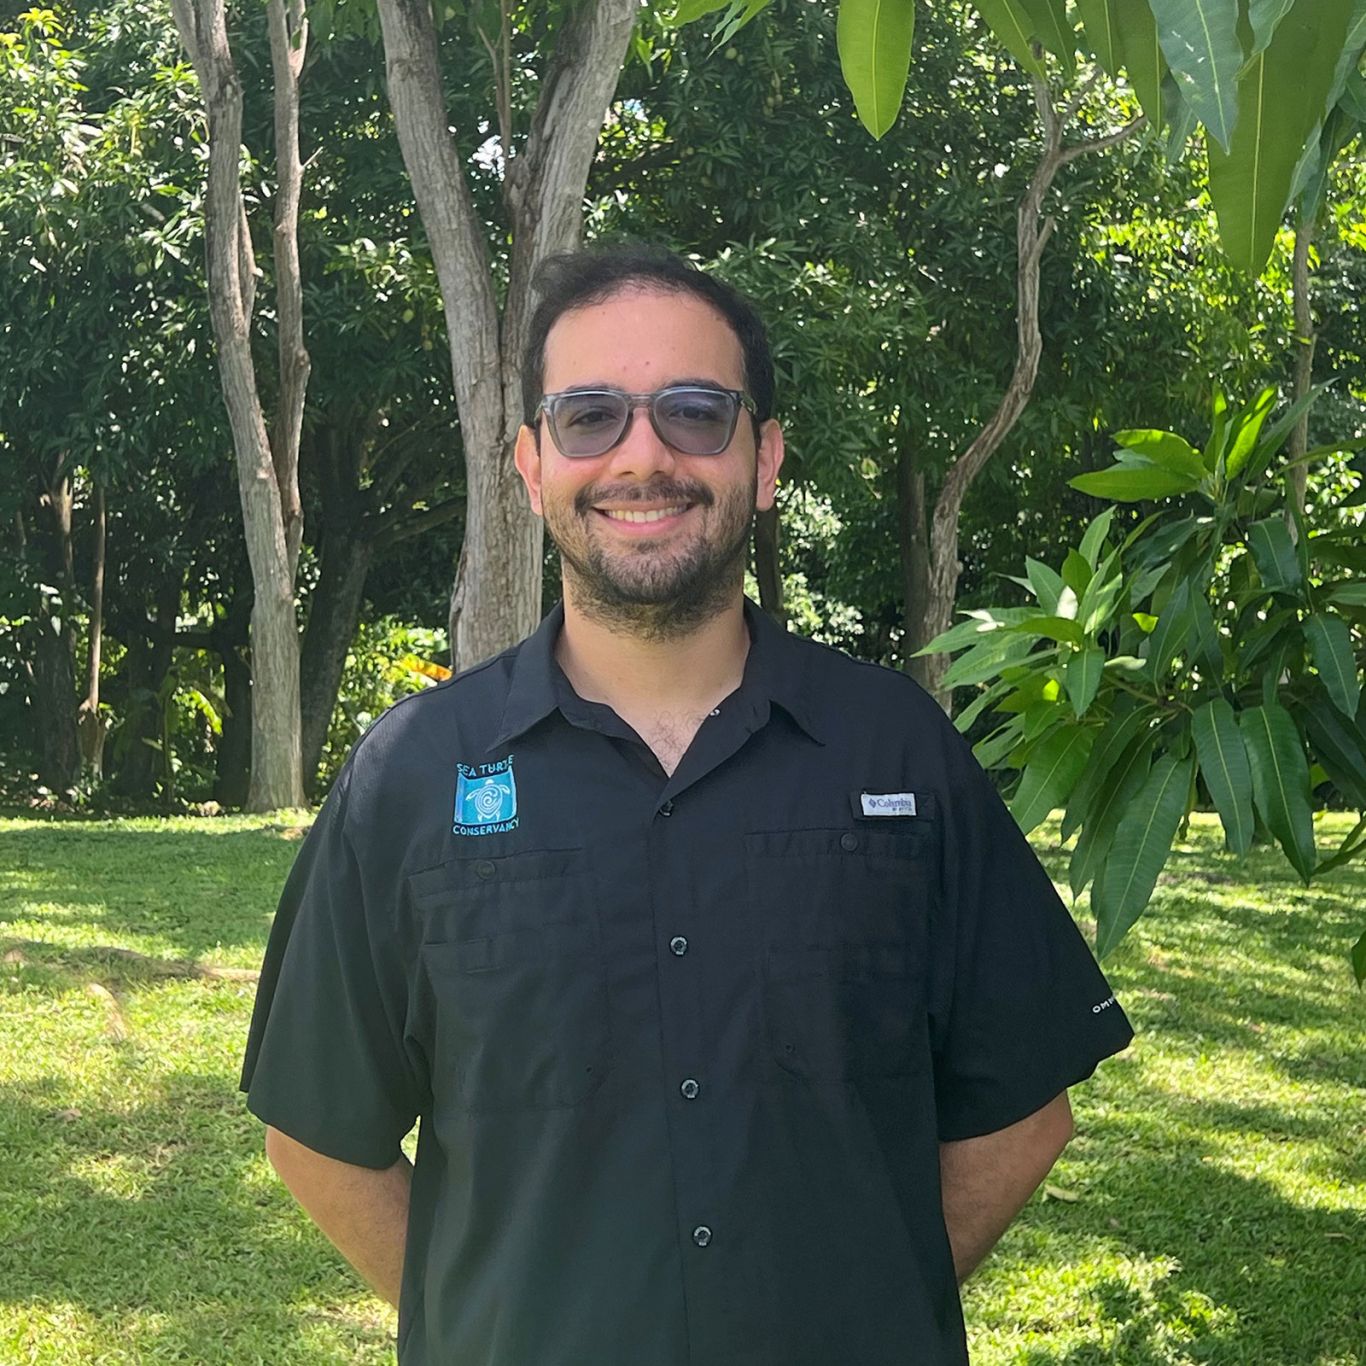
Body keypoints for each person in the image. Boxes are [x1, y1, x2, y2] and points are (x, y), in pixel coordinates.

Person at [242, 245, 1134, 1365]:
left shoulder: (897, 752)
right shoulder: (413, 777)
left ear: (764, 460)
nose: (643, 455)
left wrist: (859, 1319)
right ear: (530, 464)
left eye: (695, 412)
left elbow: (1022, 1111)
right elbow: (319, 1136)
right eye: (589, 417)